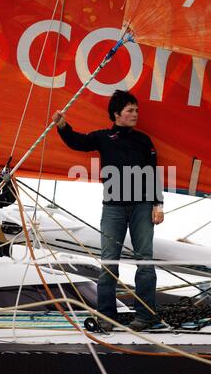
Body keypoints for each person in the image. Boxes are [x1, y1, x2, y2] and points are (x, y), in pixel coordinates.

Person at [53, 90, 164, 331]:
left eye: (136, 110)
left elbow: (154, 174)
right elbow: (77, 141)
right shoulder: (103, 137)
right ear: (117, 114)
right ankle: (106, 316)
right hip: (113, 207)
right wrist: (62, 126)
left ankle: (145, 316)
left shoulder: (144, 141)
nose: (135, 114)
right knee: (108, 263)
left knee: (144, 260)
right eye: (130, 111)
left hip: (142, 206)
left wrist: (158, 205)